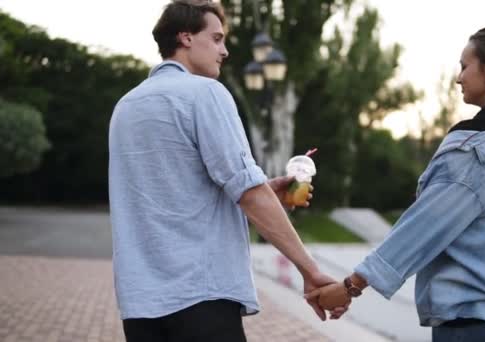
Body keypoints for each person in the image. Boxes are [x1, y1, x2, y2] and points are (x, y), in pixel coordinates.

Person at [307, 23, 485, 342]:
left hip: (474, 322)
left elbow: (423, 228)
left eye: (465, 67)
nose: (459, 77)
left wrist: (351, 287)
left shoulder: (473, 151)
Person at [108, 1, 339, 341]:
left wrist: (255, 195)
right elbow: (249, 192)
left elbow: (168, 202)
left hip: (141, 303)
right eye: (216, 39)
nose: (225, 50)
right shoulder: (205, 93)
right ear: (186, 38)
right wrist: (311, 271)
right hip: (202, 297)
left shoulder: (125, 107)